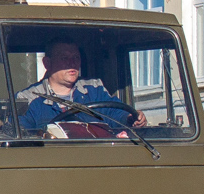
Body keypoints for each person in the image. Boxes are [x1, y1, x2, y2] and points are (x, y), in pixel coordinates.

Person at [17, 42, 147, 133]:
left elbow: (114, 112)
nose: (72, 63)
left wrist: (130, 118)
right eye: (64, 58)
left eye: (76, 58)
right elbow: (22, 137)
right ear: (47, 63)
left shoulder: (94, 89)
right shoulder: (28, 99)